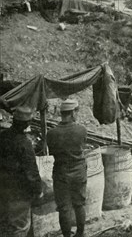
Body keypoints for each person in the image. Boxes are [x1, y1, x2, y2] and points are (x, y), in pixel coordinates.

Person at [0, 107, 43, 237]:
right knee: (19, 228)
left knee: (4, 226)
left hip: (2, 190)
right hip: (18, 193)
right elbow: (31, 172)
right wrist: (38, 189)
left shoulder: (2, 136)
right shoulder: (24, 143)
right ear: (27, 124)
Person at [47, 100, 87, 237]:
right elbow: (82, 146)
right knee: (79, 203)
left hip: (61, 172)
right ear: (72, 113)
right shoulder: (81, 130)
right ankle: (80, 234)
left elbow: (52, 152)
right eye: (76, 111)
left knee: (63, 208)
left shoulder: (51, 133)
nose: (77, 114)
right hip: (78, 170)